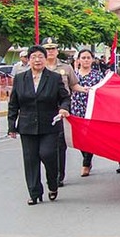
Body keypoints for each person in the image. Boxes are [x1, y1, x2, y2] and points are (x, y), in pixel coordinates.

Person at [8, 45, 71, 205]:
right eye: (33, 57)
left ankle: (53, 183)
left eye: (40, 57)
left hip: (49, 124)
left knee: (48, 154)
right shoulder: (20, 79)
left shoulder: (54, 78)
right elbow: (13, 103)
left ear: (45, 59)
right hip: (27, 125)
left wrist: (63, 108)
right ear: (28, 60)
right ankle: (34, 193)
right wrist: (11, 126)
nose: (37, 60)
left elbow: (65, 98)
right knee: (30, 160)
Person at [42, 37, 86, 187]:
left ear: (57, 50)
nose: (50, 52)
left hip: (62, 108)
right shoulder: (37, 67)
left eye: (53, 48)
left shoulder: (66, 68)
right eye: (47, 49)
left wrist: (89, 91)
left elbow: (74, 85)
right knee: (45, 146)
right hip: (42, 109)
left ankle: (59, 176)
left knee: (60, 143)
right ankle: (51, 172)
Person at [71, 49, 104, 178]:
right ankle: (85, 157)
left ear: (92, 60)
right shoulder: (73, 74)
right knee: (79, 137)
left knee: (89, 137)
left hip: (91, 109)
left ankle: (86, 163)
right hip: (76, 108)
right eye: (83, 58)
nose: (85, 60)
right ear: (78, 60)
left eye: (88, 58)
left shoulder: (97, 75)